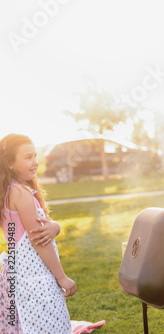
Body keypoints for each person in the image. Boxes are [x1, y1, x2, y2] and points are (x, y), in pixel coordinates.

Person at [0, 133, 76, 333]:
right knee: (49, 325)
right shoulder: (21, 194)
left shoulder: (7, 191)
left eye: (35, 156)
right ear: (9, 163)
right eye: (27, 157)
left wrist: (56, 227)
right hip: (35, 279)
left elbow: (42, 227)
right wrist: (61, 277)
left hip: (18, 275)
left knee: (25, 326)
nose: (35, 162)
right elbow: (39, 241)